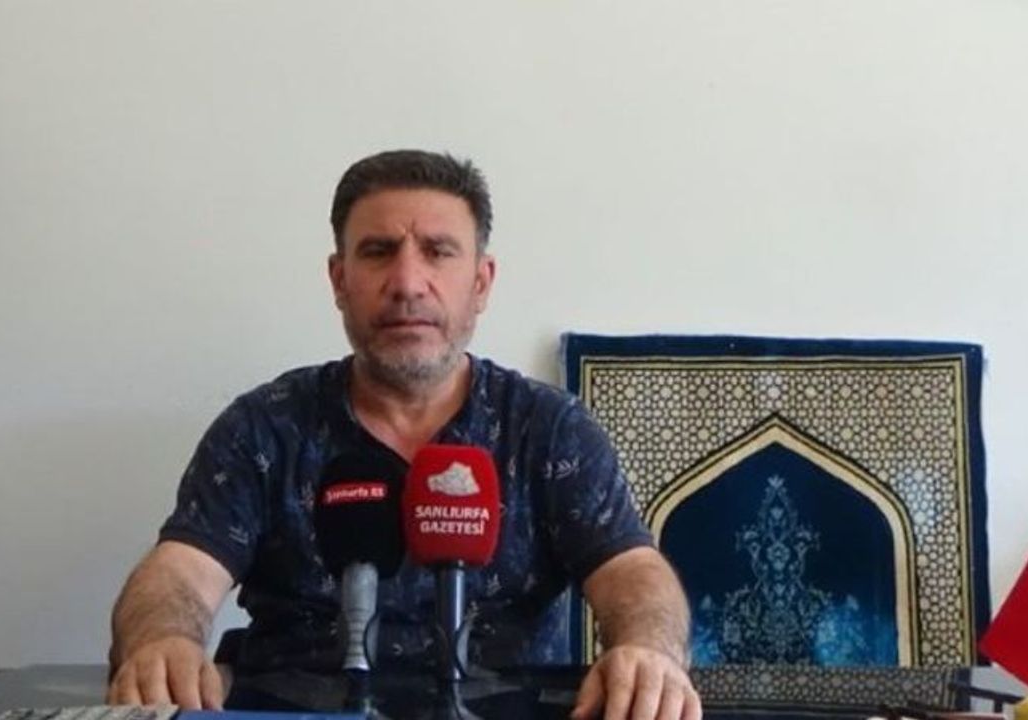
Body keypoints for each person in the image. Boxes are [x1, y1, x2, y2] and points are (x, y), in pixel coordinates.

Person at [106, 150, 702, 720]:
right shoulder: (265, 427)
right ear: (339, 279)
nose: (408, 282)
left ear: (481, 283)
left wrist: (649, 649)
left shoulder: (548, 429)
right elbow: (179, 572)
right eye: (378, 251)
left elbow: (632, 572)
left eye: (438, 252)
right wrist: (163, 640)